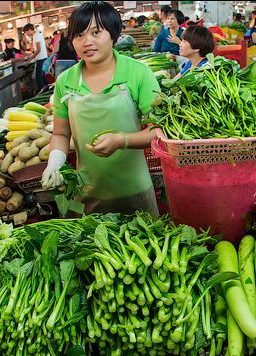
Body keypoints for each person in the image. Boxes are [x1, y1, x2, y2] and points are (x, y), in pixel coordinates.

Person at [41, 1, 160, 215]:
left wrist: (122, 140)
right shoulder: (66, 81)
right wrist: (55, 161)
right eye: (79, 35)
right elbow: (60, 133)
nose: (87, 42)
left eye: (96, 32)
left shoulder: (138, 74)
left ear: (113, 34)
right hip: (87, 192)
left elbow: (158, 130)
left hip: (135, 190)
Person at [24, 23, 49, 92]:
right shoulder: (37, 34)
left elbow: (38, 49)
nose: (26, 34)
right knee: (43, 77)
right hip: (43, 58)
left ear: (29, 30)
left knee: (39, 78)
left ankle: (42, 92)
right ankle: (49, 90)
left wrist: (30, 58)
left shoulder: (36, 35)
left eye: (26, 32)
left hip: (41, 59)